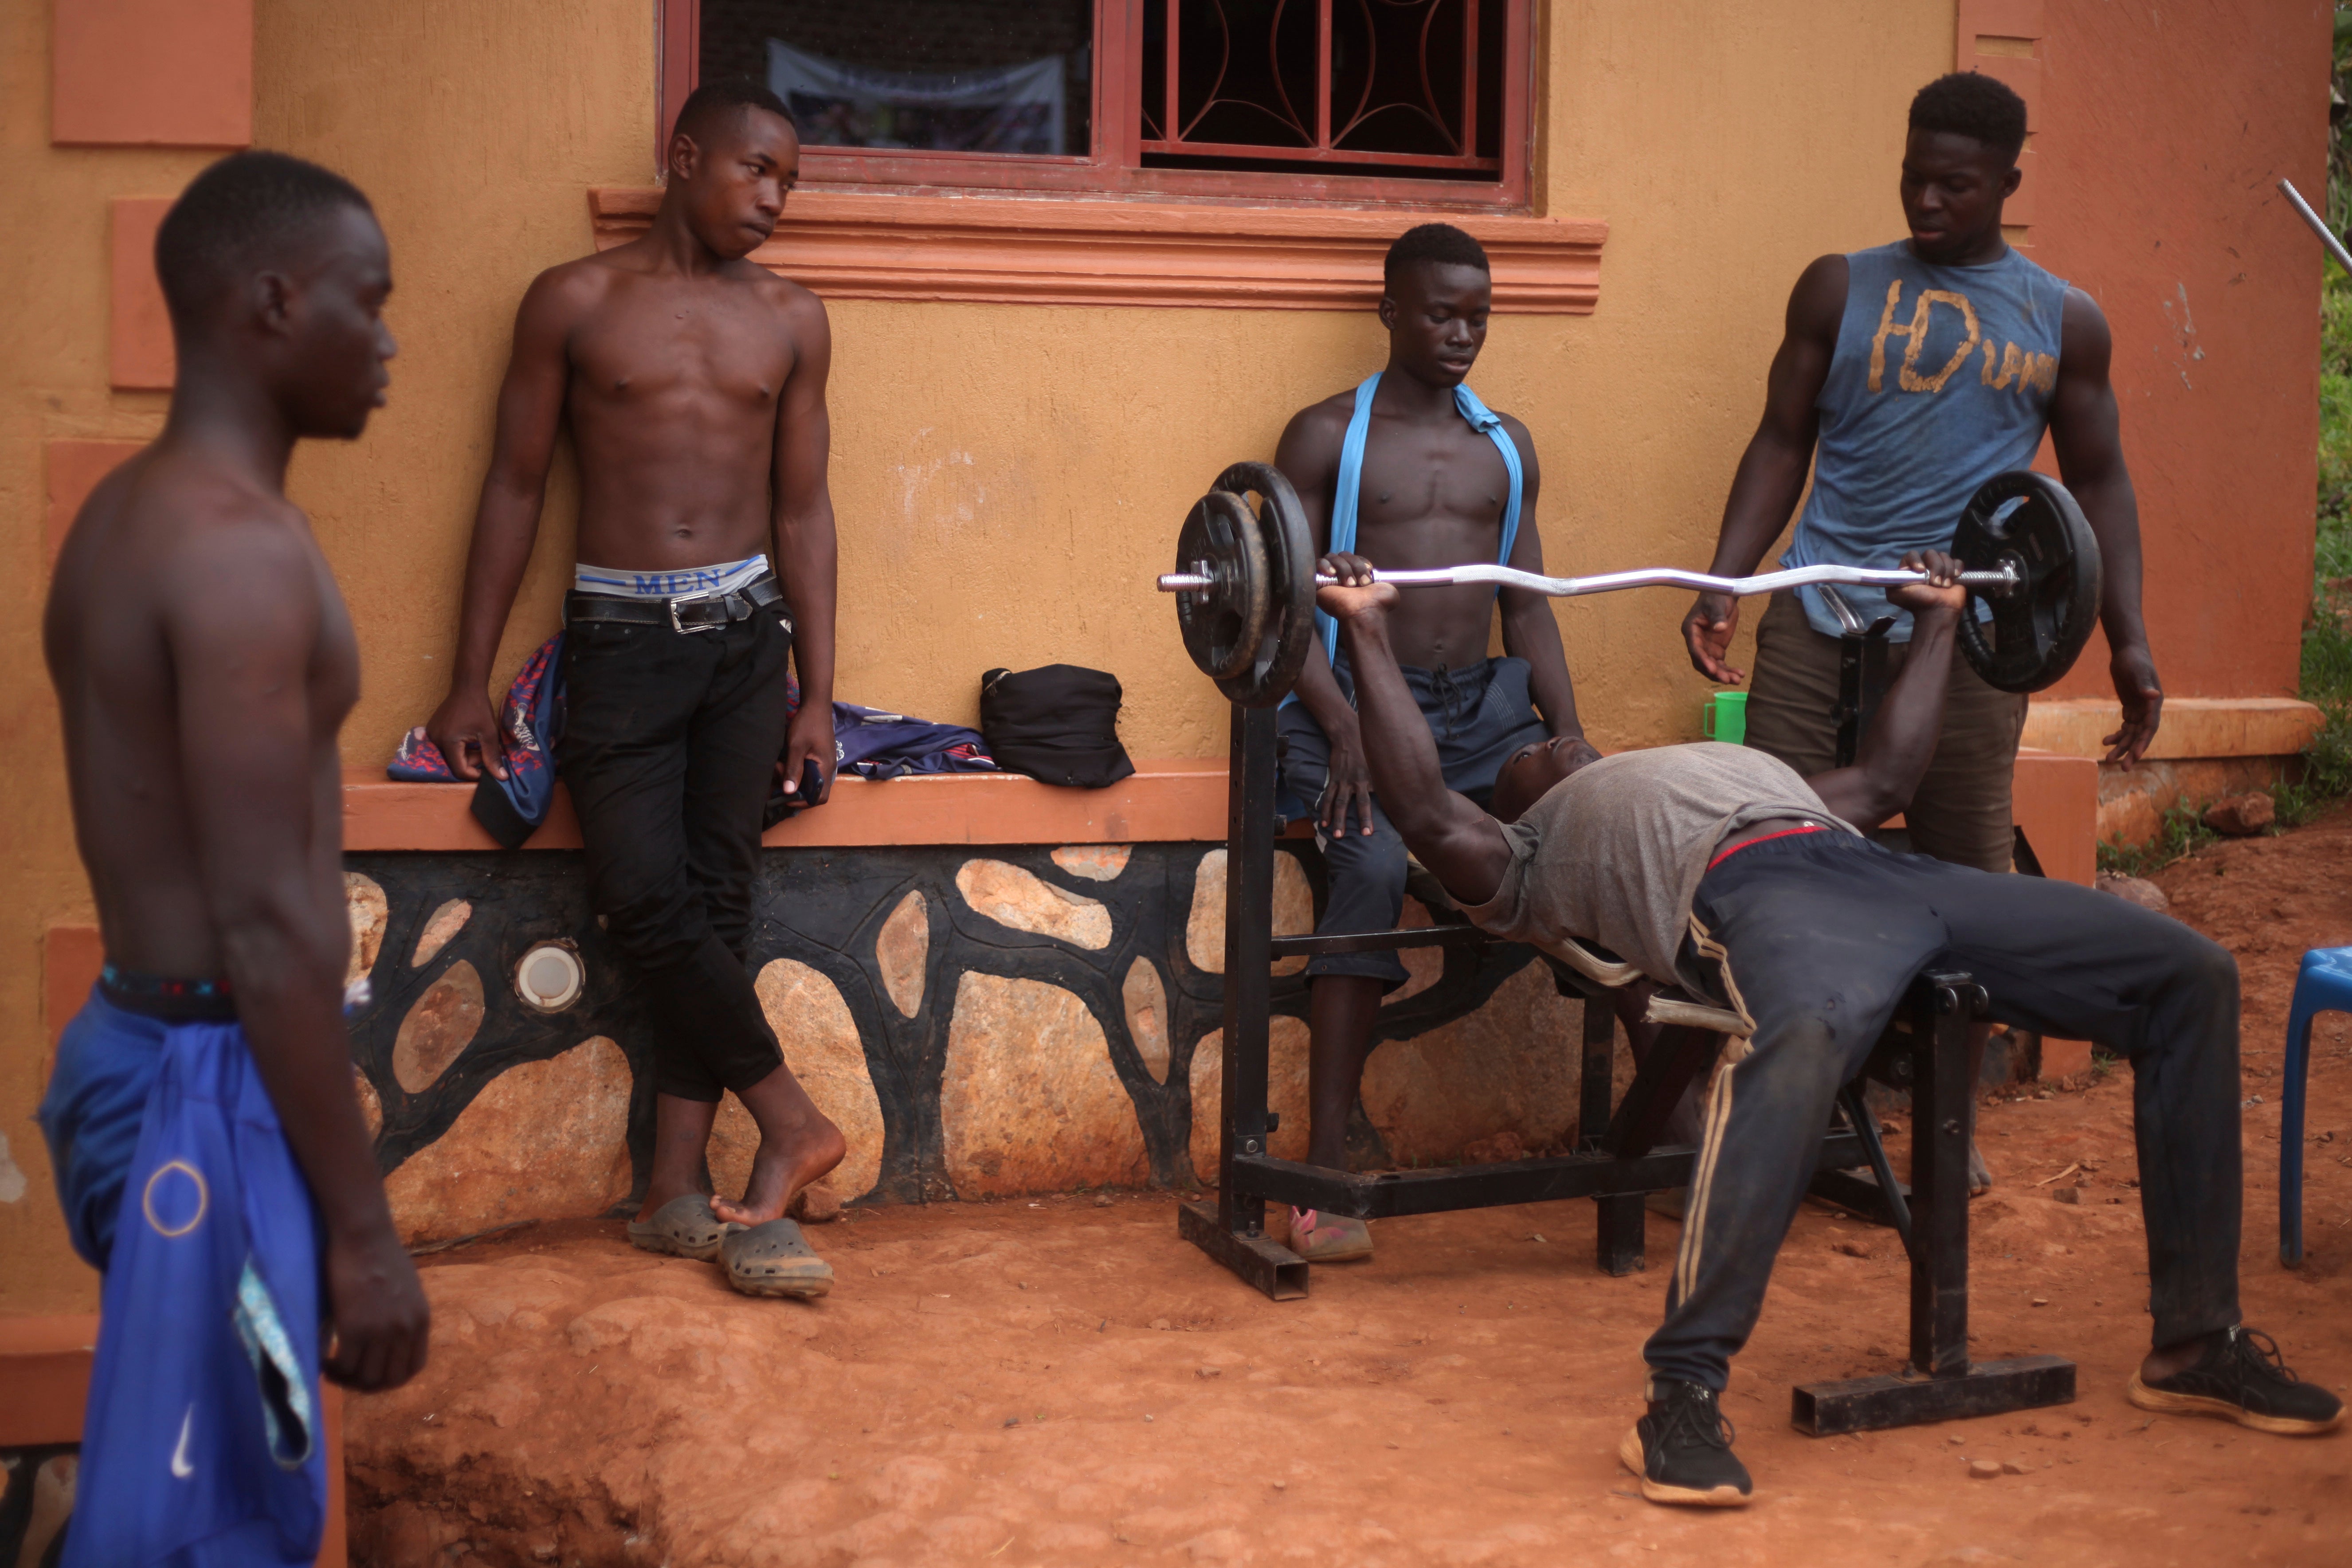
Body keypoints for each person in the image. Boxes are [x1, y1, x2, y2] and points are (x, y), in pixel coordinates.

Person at [1313, 547, 2340, 1508]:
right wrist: (1364, 628)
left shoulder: (1755, 773)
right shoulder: (1528, 856)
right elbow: (1424, 807)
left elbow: (1889, 782)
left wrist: (1940, 619)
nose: (1558, 741)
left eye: (1560, 737)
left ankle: (2197, 1342)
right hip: (1752, 898)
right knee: (1797, 1035)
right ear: (1518, 803)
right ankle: (1681, 1396)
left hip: (1875, 867)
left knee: (2188, 972)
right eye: (1538, 753)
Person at [38, 151, 430, 1566]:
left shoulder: (122, 521)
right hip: (208, 1091)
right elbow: (268, 925)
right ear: (272, 302)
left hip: (133, 1052)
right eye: (366, 302)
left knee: (194, 1502)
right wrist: (364, 1232)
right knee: (222, 1530)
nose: (389, 342)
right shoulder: (239, 554)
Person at [423, 78, 844, 1298]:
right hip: (618, 634)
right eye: (758, 170)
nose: (775, 199)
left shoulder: (794, 320)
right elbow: (513, 487)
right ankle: (792, 1120)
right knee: (642, 896)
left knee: (717, 899)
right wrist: (466, 682)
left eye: (791, 183)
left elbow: (806, 511)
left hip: (746, 642)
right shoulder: (573, 304)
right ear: (683, 156)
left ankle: (674, 1193)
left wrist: (819, 690)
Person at [1268, 223, 1592, 1262]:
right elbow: (1281, 611)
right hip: (1353, 709)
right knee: (1365, 863)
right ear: (1392, 312)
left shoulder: (1510, 444)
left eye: (1478, 319)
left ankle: (1655, 1130)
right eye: (1443, 314)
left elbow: (1529, 607)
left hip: (1479, 711)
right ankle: (1319, 1171)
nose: (1462, 335)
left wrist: (1570, 730)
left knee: (1589, 832)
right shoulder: (1326, 437)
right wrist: (1343, 722)